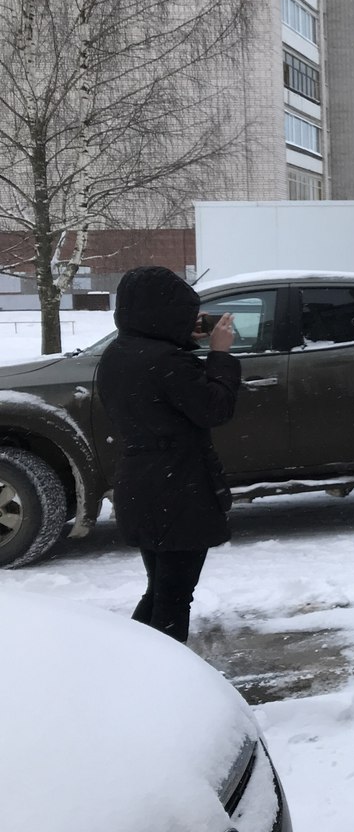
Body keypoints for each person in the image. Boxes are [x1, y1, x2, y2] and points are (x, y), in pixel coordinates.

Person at [98, 266, 241, 642]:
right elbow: (216, 408)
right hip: (178, 488)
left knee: (159, 588)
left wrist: (181, 339)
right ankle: (163, 684)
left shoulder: (117, 352)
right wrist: (220, 355)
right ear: (163, 311)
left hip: (142, 483)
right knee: (175, 598)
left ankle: (129, 664)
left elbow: (156, 389)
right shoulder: (168, 361)